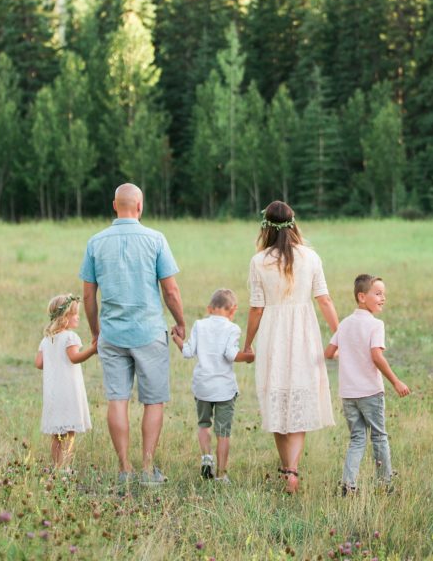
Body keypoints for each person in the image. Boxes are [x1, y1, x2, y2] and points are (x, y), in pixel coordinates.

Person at [79, 183, 185, 486]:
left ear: (115, 206)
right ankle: (148, 468)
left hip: (112, 333)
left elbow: (88, 296)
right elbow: (171, 290)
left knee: (117, 400)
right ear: (140, 206)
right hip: (149, 331)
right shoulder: (156, 239)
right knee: (153, 402)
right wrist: (180, 321)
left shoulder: (96, 242)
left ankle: (125, 469)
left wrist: (96, 332)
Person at [243, 201, 339, 493]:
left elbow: (256, 309)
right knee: (298, 394)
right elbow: (324, 300)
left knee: (276, 396)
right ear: (294, 223)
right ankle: (292, 469)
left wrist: (247, 344)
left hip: (273, 332)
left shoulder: (258, 261)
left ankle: (287, 469)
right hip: (303, 332)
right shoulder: (310, 257)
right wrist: (340, 333)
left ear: (265, 226)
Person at [324, 274, 410, 495]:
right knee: (379, 436)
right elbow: (377, 356)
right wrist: (396, 381)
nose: (383, 298)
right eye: (378, 293)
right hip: (370, 392)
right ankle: (385, 484)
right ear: (362, 297)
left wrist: (347, 356)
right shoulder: (375, 325)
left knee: (357, 438)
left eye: (384, 295)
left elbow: (329, 352)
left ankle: (348, 484)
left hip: (348, 394)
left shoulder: (344, 324)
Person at [171, 288, 254, 483]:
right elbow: (231, 355)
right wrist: (250, 356)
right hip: (224, 390)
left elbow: (188, 352)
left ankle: (207, 458)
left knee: (203, 424)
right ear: (233, 310)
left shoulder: (199, 325)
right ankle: (221, 474)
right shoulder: (233, 329)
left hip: (202, 387)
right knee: (223, 432)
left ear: (209, 308)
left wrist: (177, 339)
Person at [35, 293, 97, 468]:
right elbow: (74, 358)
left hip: (53, 391)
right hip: (69, 390)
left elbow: (39, 363)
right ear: (65, 317)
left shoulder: (47, 339)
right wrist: (93, 350)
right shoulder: (70, 337)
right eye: (75, 314)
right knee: (69, 433)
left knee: (56, 433)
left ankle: (57, 466)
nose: (78, 317)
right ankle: (65, 467)